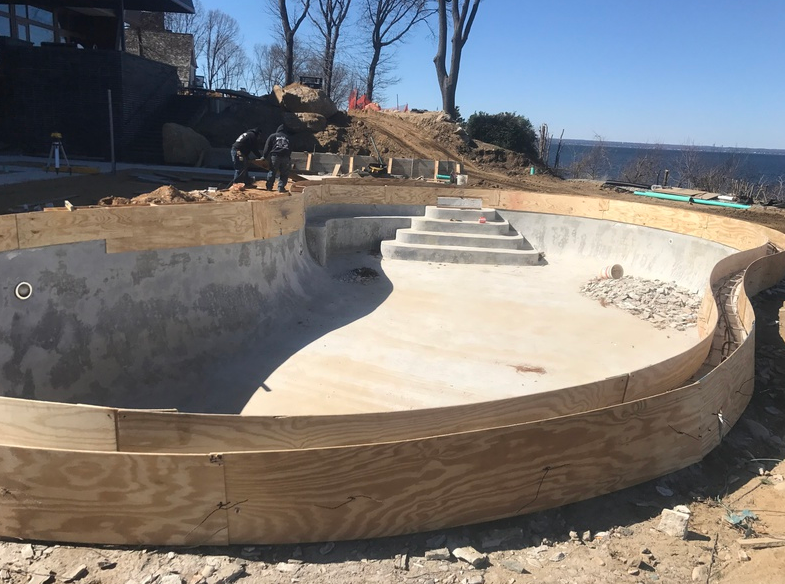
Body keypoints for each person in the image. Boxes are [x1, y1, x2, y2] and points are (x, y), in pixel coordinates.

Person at [262, 124, 291, 193]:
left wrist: (264, 156)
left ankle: (269, 187)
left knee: (272, 171)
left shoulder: (273, 136)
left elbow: (267, 147)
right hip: (285, 157)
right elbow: (290, 148)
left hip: (275, 156)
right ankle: (281, 187)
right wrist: (288, 156)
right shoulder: (288, 137)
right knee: (284, 173)